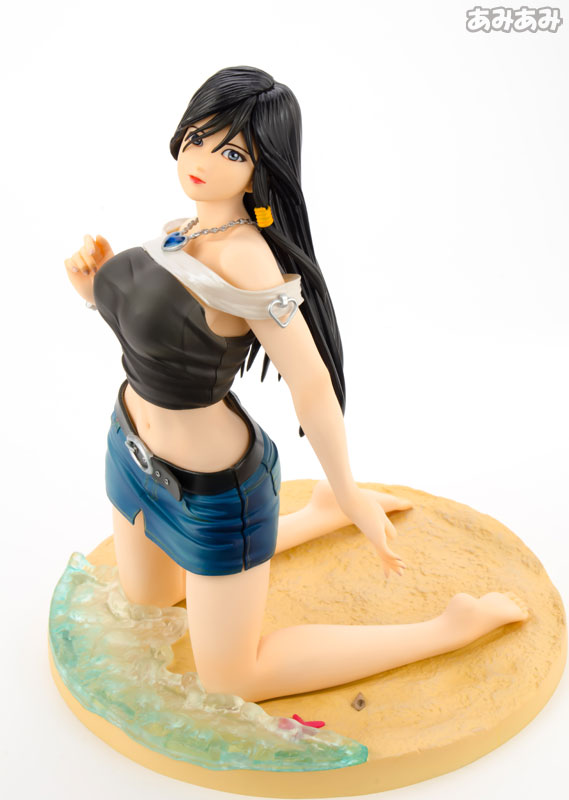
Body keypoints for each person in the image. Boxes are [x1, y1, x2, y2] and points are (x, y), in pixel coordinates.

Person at [64, 65, 528, 705]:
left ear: (262, 168)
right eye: (198, 137)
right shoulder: (181, 229)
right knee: (150, 599)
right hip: (130, 451)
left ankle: (448, 627)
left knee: (232, 679)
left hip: (211, 492)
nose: (202, 159)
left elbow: (310, 385)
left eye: (232, 152)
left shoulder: (248, 260)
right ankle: (316, 516)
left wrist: (352, 490)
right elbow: (159, 341)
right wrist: (94, 292)